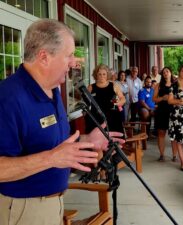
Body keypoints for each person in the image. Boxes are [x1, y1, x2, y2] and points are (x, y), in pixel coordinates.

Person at [0, 19, 124, 225]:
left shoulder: (54, 90)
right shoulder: (8, 97)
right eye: (69, 55)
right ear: (44, 57)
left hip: (54, 204)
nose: (74, 62)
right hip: (23, 209)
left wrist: (86, 140)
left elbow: (56, 146)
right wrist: (50, 159)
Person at [86, 64, 125, 135]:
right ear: (96, 75)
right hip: (97, 118)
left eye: (104, 74)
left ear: (107, 75)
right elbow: (85, 101)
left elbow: (123, 99)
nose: (102, 76)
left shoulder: (113, 85)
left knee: (114, 141)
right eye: (99, 74)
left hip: (112, 117)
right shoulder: (91, 87)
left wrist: (117, 103)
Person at [153, 67, 177, 162]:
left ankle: (174, 155)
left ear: (171, 73)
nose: (165, 73)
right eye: (164, 72)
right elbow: (154, 99)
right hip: (161, 111)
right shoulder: (159, 85)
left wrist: (172, 99)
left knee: (173, 135)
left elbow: (180, 98)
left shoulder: (176, 85)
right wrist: (162, 98)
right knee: (161, 134)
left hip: (173, 111)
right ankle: (162, 155)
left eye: (167, 71)